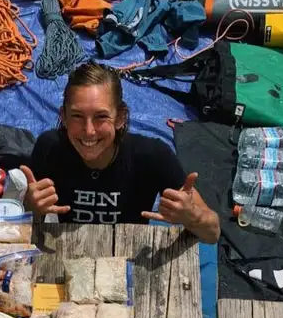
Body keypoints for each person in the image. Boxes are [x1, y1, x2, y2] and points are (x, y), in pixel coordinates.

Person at [20, 61, 220, 243]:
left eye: (101, 117)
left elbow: (213, 234)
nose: (89, 131)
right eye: (77, 116)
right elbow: (27, 223)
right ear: (63, 117)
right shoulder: (49, 148)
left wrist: (193, 216)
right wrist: (31, 207)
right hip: (69, 248)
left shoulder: (153, 156)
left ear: (120, 118)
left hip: (128, 252)